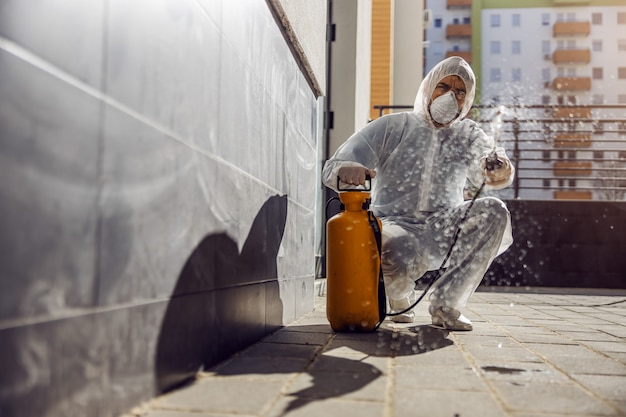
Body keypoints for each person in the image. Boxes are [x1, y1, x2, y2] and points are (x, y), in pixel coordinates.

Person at [322, 57, 514, 331]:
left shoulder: (467, 133)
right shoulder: (393, 127)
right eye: (443, 86)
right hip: (394, 224)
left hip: (445, 225)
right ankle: (400, 299)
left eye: (460, 92)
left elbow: (488, 168)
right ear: (428, 89)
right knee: (394, 248)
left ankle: (447, 305)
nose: (450, 96)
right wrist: (348, 168)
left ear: (467, 100)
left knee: (494, 210)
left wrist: (497, 168)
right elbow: (334, 167)